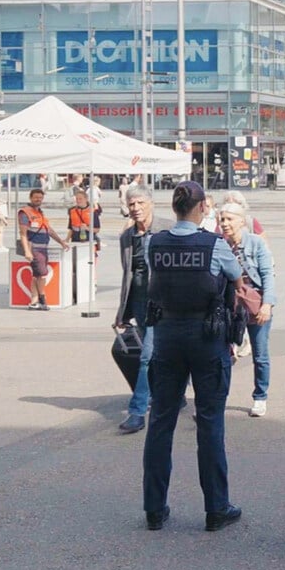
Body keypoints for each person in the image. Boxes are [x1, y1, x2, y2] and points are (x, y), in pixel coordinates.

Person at [142, 180, 244, 532]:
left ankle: (154, 508)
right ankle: (216, 508)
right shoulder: (214, 244)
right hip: (207, 337)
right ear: (202, 208)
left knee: (161, 422)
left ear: (174, 208)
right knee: (211, 421)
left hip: (167, 336)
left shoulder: (153, 243)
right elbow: (235, 275)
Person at [115, 185, 174, 434]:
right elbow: (127, 274)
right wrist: (122, 312)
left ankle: (137, 411)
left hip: (164, 302)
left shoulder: (168, 229)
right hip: (139, 301)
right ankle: (175, 393)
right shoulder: (127, 237)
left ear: (151, 203)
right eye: (131, 204)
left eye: (140, 203)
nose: (136, 208)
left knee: (148, 355)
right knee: (157, 353)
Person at [219, 201, 276, 417]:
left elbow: (268, 275)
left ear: (242, 221)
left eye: (229, 219)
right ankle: (219, 396)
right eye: (222, 219)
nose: (225, 223)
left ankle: (260, 397)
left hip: (255, 304)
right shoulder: (220, 245)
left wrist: (267, 305)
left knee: (260, 355)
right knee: (222, 354)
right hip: (230, 306)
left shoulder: (255, 244)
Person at [18, 189, 69, 311]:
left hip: (42, 248)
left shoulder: (40, 212)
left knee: (37, 275)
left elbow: (49, 230)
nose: (38, 200)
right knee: (42, 274)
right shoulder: (25, 212)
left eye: (40, 198)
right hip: (34, 248)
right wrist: (27, 251)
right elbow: (23, 234)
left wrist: (61, 241)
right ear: (30, 198)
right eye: (36, 197)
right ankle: (42, 299)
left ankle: (34, 302)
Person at [65, 189, 101, 255]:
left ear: (86, 199)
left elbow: (97, 229)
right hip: (75, 240)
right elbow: (71, 228)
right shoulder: (72, 211)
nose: (78, 201)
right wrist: (67, 240)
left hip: (88, 240)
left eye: (80, 199)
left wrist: (87, 228)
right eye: (77, 199)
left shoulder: (92, 211)